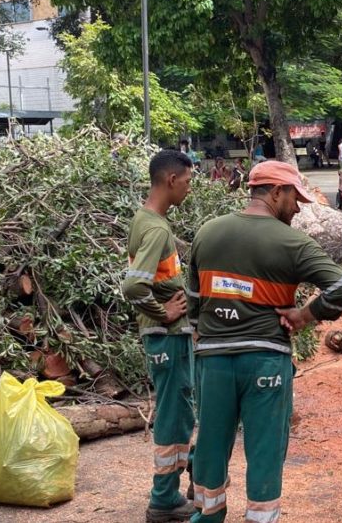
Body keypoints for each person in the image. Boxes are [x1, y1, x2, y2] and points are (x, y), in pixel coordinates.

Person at [187, 161, 342, 523]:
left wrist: (204, 332)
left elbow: (191, 299)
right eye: (295, 198)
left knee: (212, 443)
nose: (297, 208)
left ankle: (207, 514)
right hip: (265, 360)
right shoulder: (292, 241)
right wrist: (304, 315)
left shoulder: (208, 232)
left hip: (213, 360)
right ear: (277, 191)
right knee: (264, 447)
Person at [121, 150, 196, 523]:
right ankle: (164, 498)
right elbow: (134, 286)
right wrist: (163, 313)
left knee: (180, 411)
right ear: (170, 180)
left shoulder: (148, 220)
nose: (189, 188)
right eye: (187, 181)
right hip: (166, 337)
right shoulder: (154, 228)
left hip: (169, 336)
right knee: (173, 415)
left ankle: (179, 485)